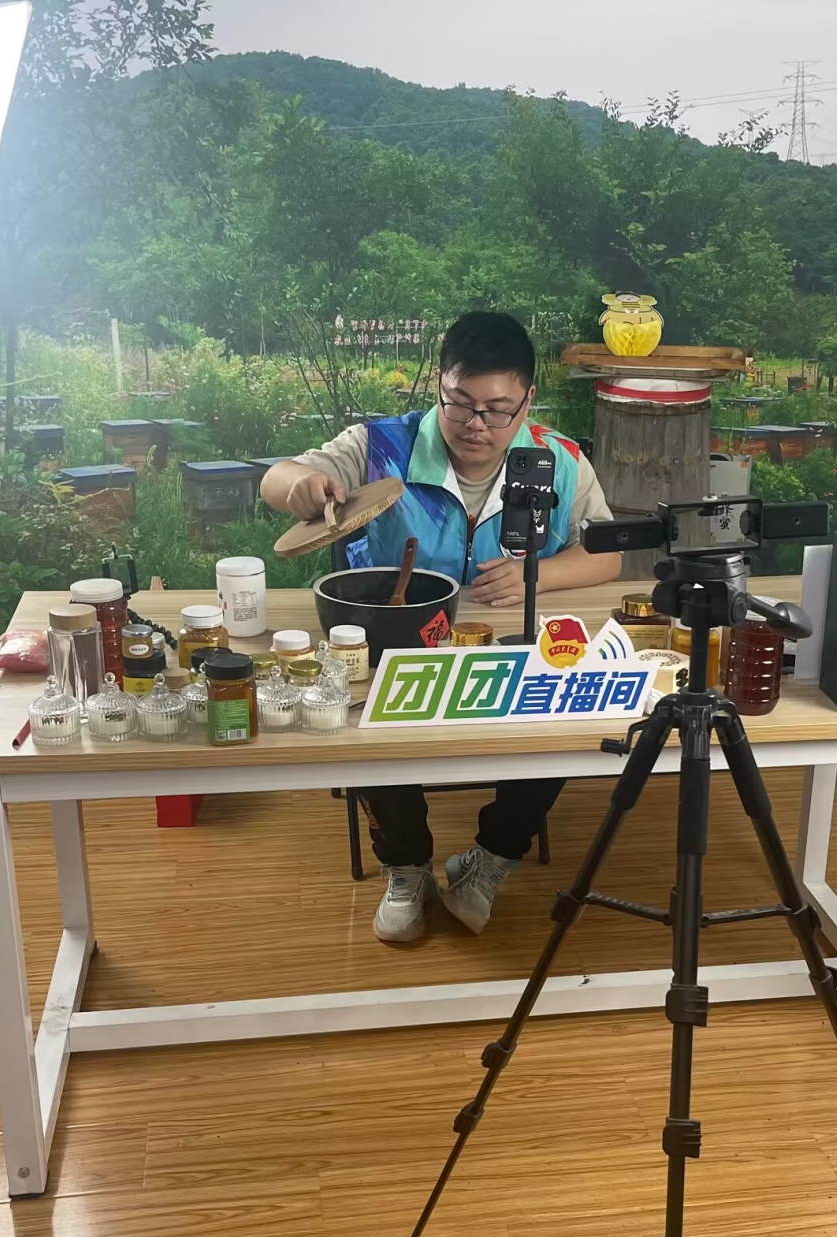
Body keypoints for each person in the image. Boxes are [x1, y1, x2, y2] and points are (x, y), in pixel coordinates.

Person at [262, 311, 623, 944]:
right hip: (393, 645)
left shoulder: (560, 460)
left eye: (498, 409)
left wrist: (538, 575)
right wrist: (302, 485)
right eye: (459, 404)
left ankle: (492, 859)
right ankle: (406, 867)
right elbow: (277, 478)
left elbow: (607, 554)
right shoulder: (381, 447)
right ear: (439, 384)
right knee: (364, 722)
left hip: (505, 647)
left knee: (565, 715)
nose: (476, 425)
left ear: (527, 400)